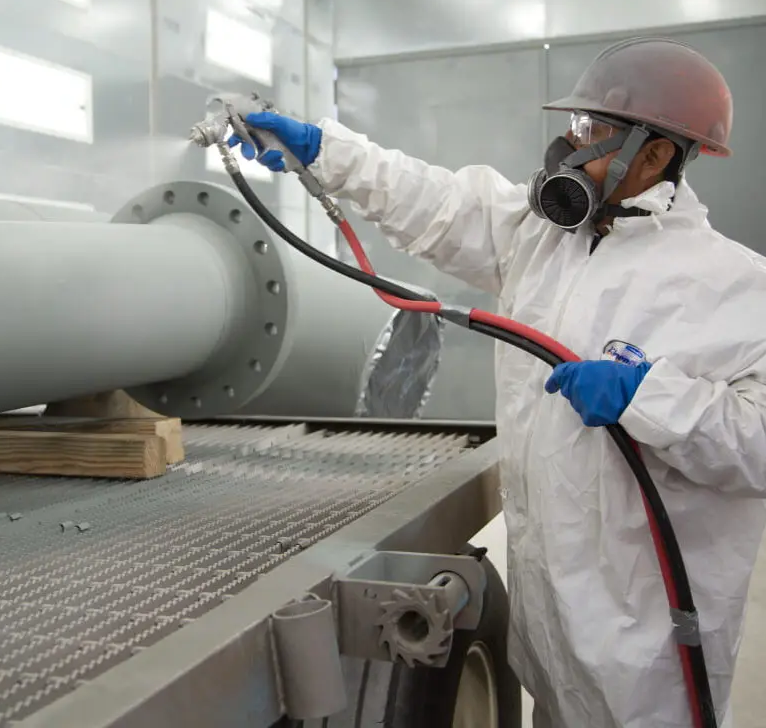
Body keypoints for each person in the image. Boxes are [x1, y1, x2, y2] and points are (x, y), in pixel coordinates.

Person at [229, 37, 766, 727]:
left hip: (650, 649)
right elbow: (433, 200)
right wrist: (321, 151)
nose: (569, 147)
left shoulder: (736, 287)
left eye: (591, 131)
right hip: (552, 633)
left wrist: (650, 400)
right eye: (577, 126)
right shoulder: (539, 240)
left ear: (654, 155)